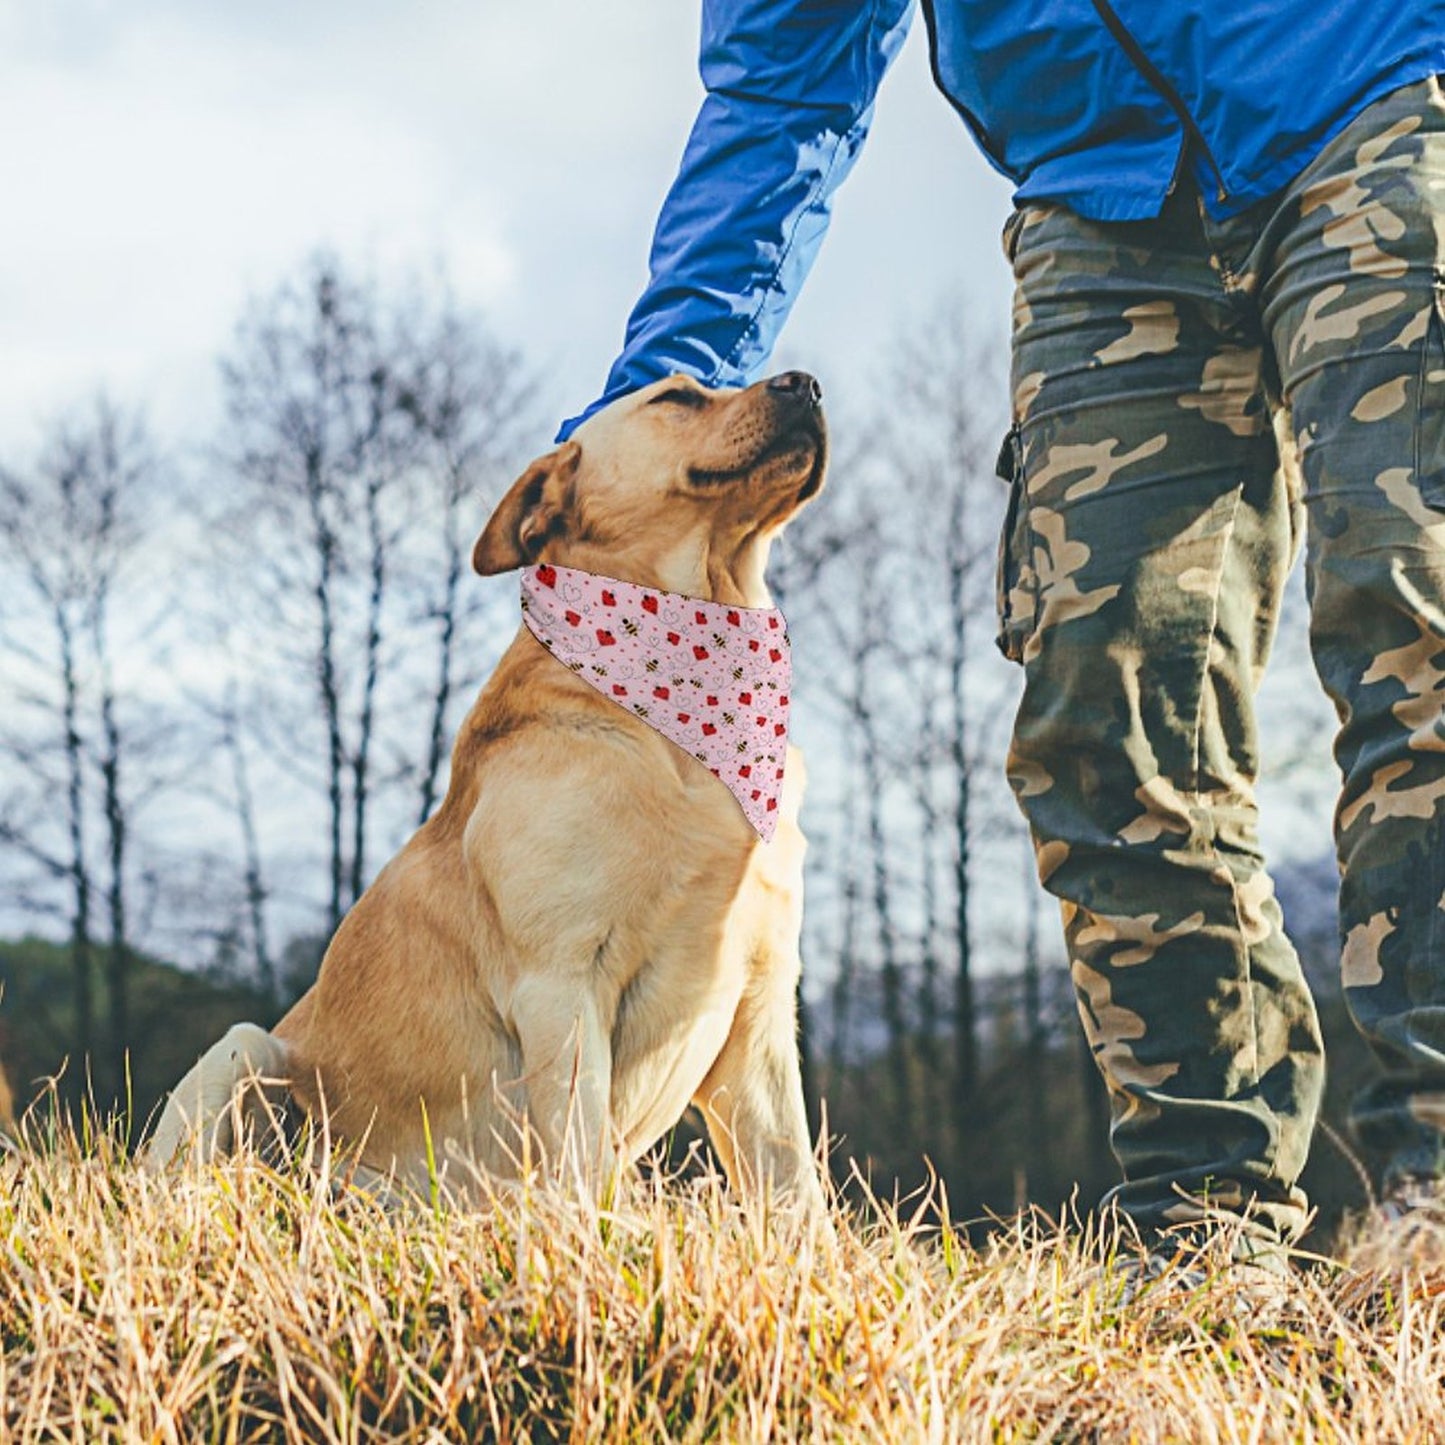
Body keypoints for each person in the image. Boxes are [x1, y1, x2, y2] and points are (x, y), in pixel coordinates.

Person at [560, 0, 1445, 1262]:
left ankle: (1434, 1200)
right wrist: (652, 415)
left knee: (1413, 622)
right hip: (1100, 199)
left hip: (1369, 87)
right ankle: (1206, 1228)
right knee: (1105, 717)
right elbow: (780, 92)